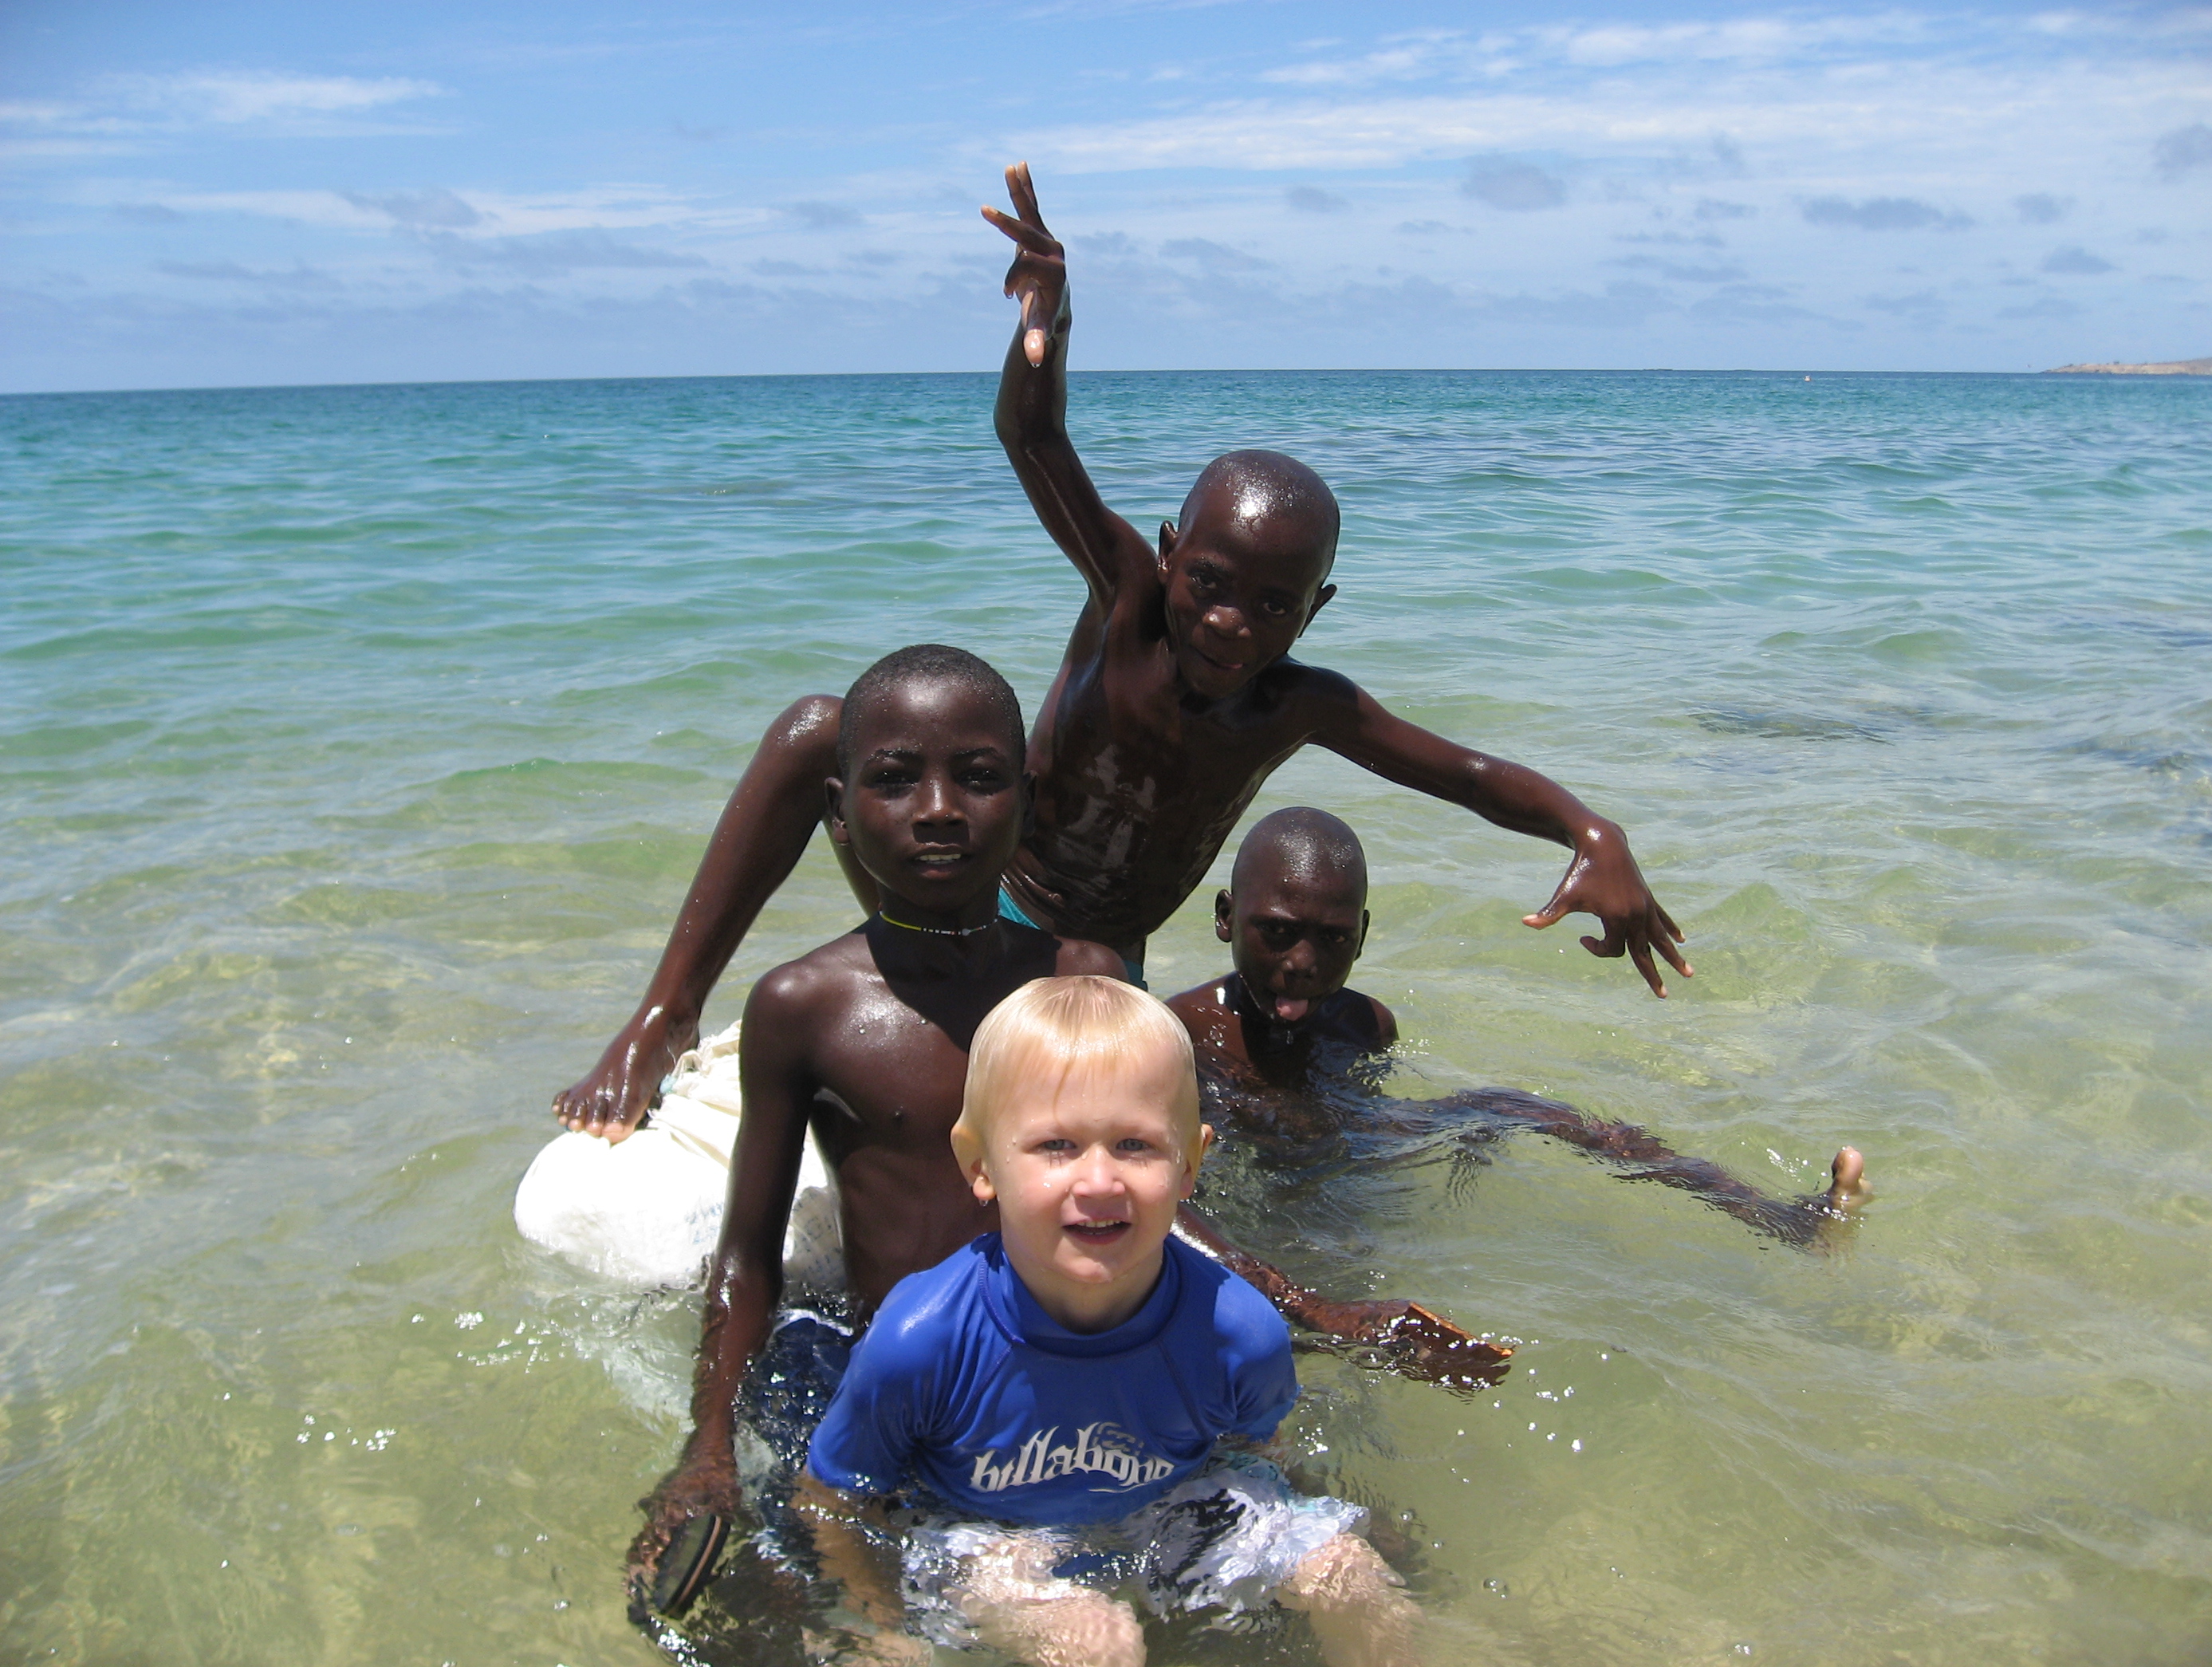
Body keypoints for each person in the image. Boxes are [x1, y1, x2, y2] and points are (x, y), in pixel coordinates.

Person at [551, 158, 1687, 1145]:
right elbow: (1031, 435)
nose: (1230, 623)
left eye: (1272, 605)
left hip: (1090, 953)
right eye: (1211, 585)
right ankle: (665, 1014)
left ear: (1315, 610)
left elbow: (1469, 775)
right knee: (817, 730)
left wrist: (1594, 832)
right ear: (1166, 555)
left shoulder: (1301, 707)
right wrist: (1051, 319)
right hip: (977, 889)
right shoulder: (1127, 599)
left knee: (1095, 977)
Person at [627, 647, 1499, 1629]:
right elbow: (748, 1257)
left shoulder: (1079, 978)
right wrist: (702, 1453)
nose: (940, 807)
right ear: (838, 810)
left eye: (980, 776)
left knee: (1369, 1574)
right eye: (893, 779)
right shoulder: (806, 1006)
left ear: (1030, 799)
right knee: (758, 1613)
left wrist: (1318, 1314)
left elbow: (1145, 1193)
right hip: (923, 1383)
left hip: (1098, 1355)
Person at [796, 974, 1425, 1667]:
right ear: (980, 1163)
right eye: (1056, 1145)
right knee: (1096, 1649)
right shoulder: (923, 1338)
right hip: (983, 1536)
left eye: (1134, 1145)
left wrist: (1327, 1523)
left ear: (1188, 1161)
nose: (1099, 1182)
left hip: (1164, 1509)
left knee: (1348, 1577)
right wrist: (874, 1625)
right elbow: (835, 1501)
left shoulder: (1238, 1333)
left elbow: (1257, 1460)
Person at [1168, 808, 1868, 1246]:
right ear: (1226, 917)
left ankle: (1773, 1215)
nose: (1302, 964)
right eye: (1276, 933)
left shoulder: (1364, 1023)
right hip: (1235, 1196)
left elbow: (1357, 1125)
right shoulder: (1177, 1033)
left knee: (1519, 1106)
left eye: (1332, 940)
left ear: (1364, 936)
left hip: (1333, 1177)